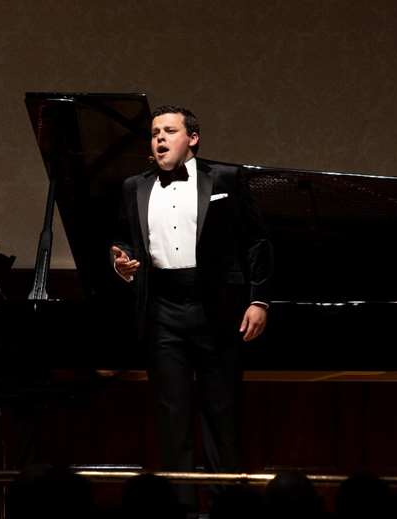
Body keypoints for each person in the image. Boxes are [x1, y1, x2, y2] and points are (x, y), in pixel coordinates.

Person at [111, 106, 273, 509]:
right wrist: (122, 262)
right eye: (154, 133)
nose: (159, 139)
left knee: (222, 414)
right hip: (162, 308)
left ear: (192, 138)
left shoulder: (226, 179)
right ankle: (178, 508)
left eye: (169, 131)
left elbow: (256, 241)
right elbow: (126, 242)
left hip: (216, 308)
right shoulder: (135, 186)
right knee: (172, 417)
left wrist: (259, 298)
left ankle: (228, 507)